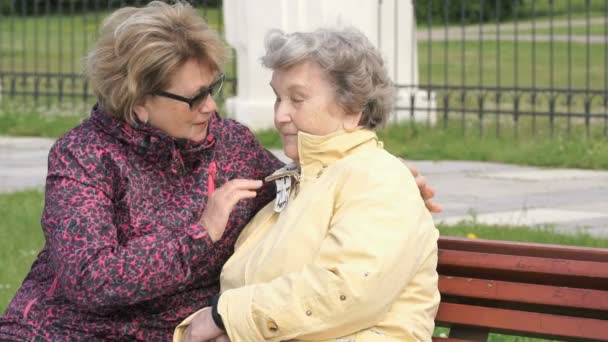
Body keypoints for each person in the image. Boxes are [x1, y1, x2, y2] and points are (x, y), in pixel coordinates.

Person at [0, 2, 438, 341]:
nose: (211, 107)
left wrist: (385, 169)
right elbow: (91, 279)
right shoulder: (85, 156)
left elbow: (316, 184)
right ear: (138, 102)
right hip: (64, 330)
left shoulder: (229, 146)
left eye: (213, 89)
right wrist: (200, 235)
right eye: (193, 98)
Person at [174, 27, 440, 342]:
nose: (280, 115)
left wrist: (223, 316)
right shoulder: (298, 182)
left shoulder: (378, 179)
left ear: (352, 110)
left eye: (297, 99)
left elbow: (345, 291)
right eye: (278, 98)